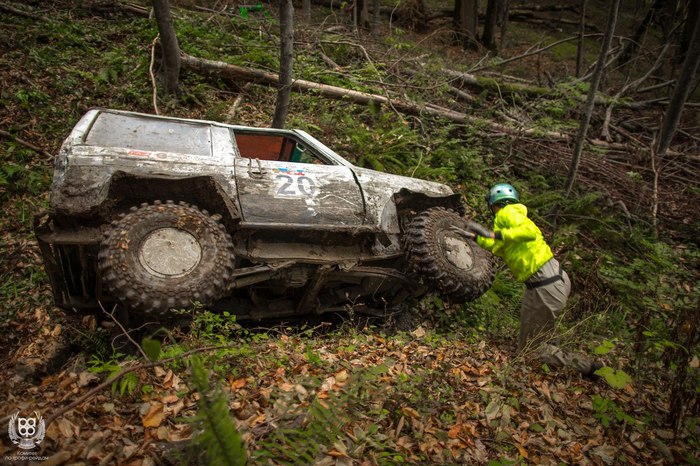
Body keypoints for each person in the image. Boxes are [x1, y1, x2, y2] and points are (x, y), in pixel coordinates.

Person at [452, 183, 601, 377]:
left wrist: (488, 232)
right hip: (552, 280)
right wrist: (475, 237)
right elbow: (498, 247)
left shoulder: (508, 213)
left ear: (494, 203)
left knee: (531, 349)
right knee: (537, 332)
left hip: (545, 284)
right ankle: (556, 352)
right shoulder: (510, 220)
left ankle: (589, 368)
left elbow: (528, 233)